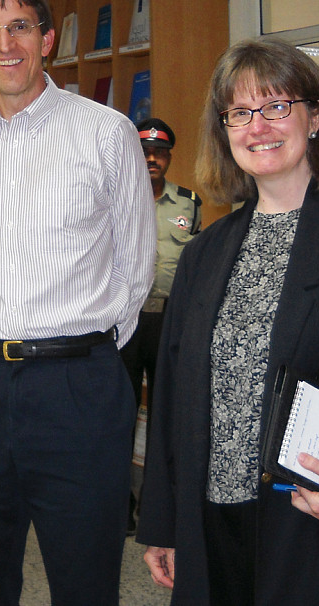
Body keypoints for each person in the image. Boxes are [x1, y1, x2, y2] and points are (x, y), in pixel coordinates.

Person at [138, 39, 319, 604]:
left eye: (276, 107)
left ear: (315, 116)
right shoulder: (204, 253)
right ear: (225, 131)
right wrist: (163, 521)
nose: (258, 127)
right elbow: (173, 395)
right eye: (240, 113)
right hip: (210, 520)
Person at [0, 0, 156, 605]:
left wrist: (82, 354)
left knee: (84, 578)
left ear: (47, 39)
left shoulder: (106, 132)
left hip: (76, 388)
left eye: (20, 27)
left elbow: (136, 268)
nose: (6, 44)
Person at [119, 117, 201, 533]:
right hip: (125, 322)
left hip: (169, 322)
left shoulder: (188, 202)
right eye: (145, 151)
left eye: (160, 152)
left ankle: (158, 506)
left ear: (169, 158)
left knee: (167, 417)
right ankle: (121, 504)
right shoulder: (113, 198)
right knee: (121, 412)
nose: (152, 158)